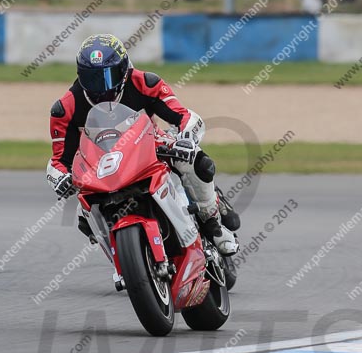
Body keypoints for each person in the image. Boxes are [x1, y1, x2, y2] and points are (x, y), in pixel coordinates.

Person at [46, 33, 239, 255]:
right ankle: (121, 256)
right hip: (102, 164)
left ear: (125, 69)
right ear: (80, 75)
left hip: (149, 144)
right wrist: (60, 178)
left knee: (197, 161)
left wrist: (186, 138)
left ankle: (211, 220)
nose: (102, 87)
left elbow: (184, 117)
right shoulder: (65, 108)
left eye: (110, 76)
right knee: (83, 214)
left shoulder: (145, 82)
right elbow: (59, 160)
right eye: (93, 79)